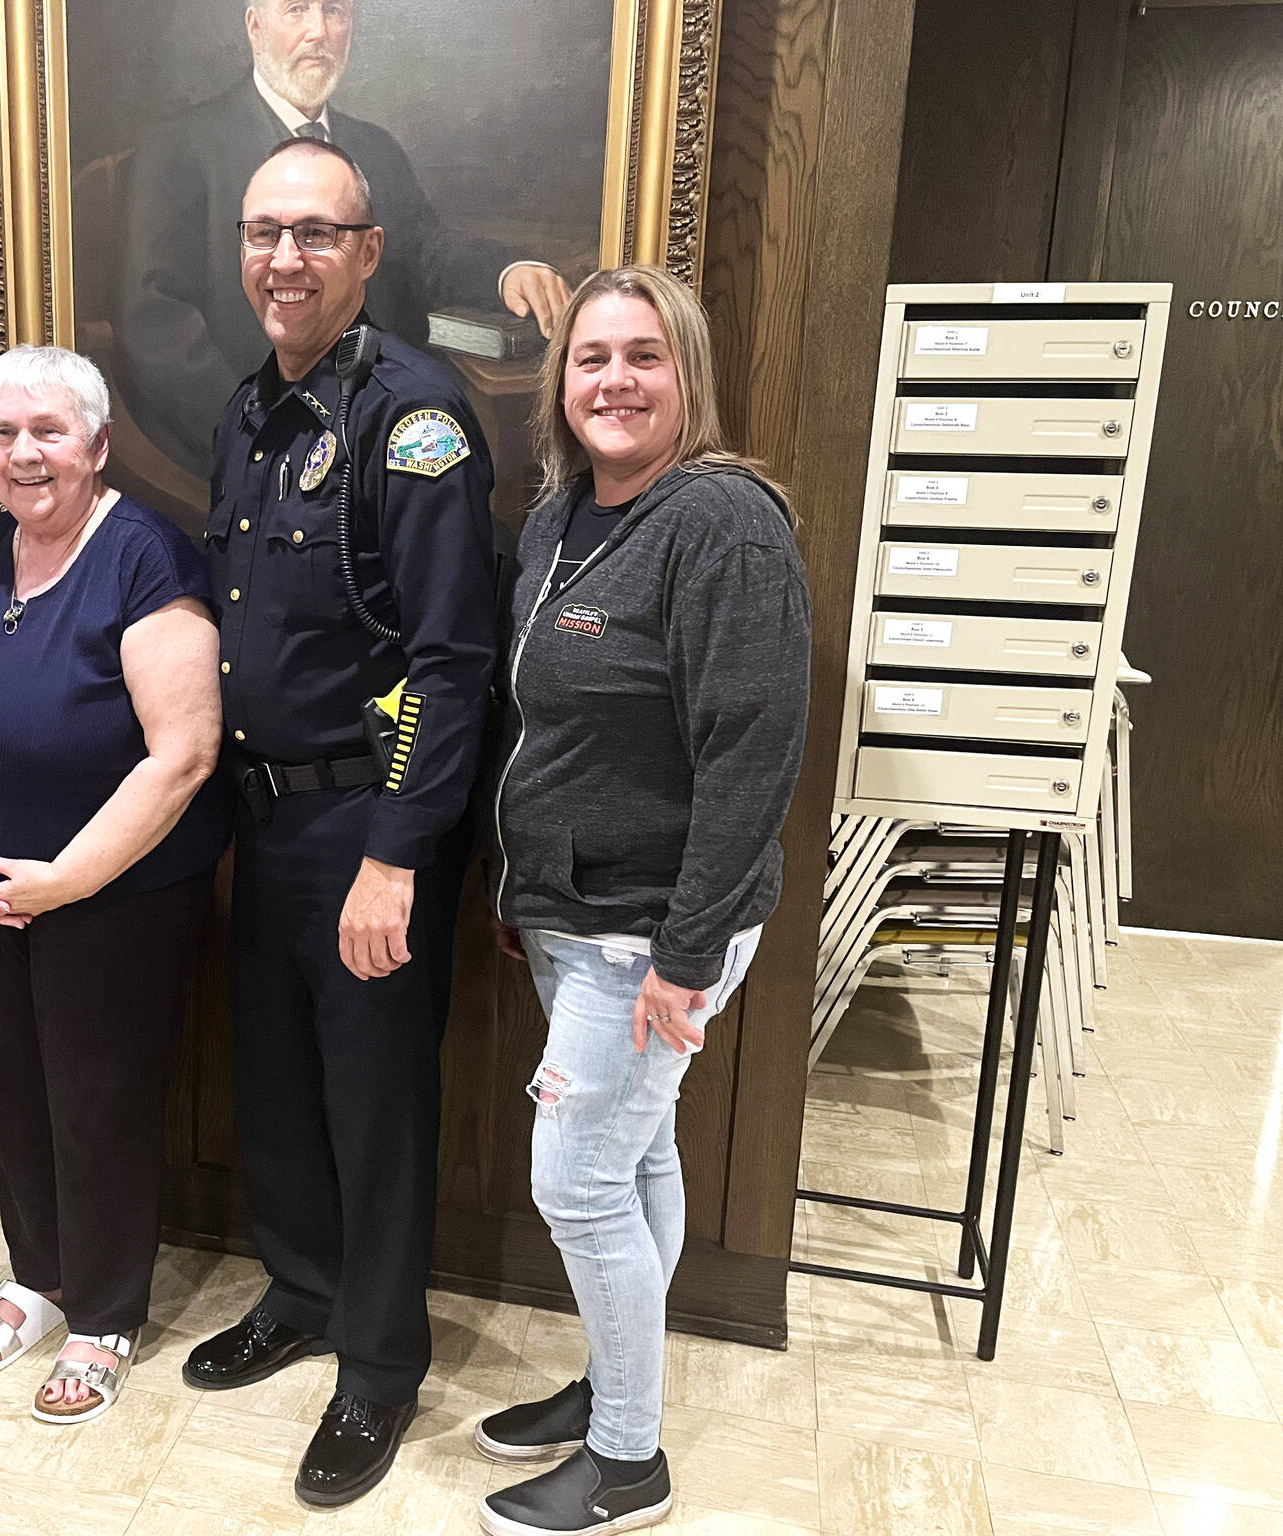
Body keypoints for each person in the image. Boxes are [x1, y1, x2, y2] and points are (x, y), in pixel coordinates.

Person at [180, 137, 496, 1506]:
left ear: (368, 253)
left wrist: (393, 852)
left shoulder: (413, 418)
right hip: (265, 818)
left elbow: (446, 667)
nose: (285, 258)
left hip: (367, 824)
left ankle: (377, 1366)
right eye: (264, 232)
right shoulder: (248, 412)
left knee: (374, 1107)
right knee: (283, 1087)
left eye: (316, 233)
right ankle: (302, 1292)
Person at [471, 265, 811, 1536]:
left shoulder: (720, 523)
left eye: (641, 357)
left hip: (649, 930)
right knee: (637, 1154)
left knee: (576, 1183)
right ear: (557, 385)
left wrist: (685, 950)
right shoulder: (563, 519)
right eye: (588, 358)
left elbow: (750, 752)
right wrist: (524, 888)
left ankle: (627, 1463)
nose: (611, 380)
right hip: (571, 914)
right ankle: (621, 1377)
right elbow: (547, 730)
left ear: (687, 378)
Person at [0, 344, 227, 1425]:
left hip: (116, 893)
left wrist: (68, 879)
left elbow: (182, 753)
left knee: (97, 1103)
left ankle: (102, 1311)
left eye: (49, 431)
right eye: (4, 433)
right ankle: (38, 1273)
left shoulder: (146, 559)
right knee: (11, 1088)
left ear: (96, 445)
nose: (24, 452)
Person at [116, 0, 573, 477]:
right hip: (257, 444)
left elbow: (425, 251)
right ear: (255, 25)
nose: (318, 30)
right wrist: (256, 435)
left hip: (381, 437)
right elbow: (154, 325)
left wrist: (507, 273)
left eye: (334, 11)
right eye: (297, 10)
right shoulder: (182, 147)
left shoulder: (375, 147)